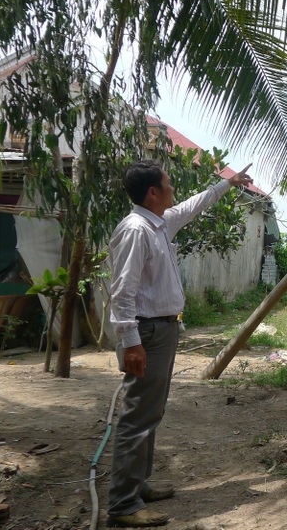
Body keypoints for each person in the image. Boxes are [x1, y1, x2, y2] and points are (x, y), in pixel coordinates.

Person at [106, 160, 252, 528]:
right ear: (152, 192)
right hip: (147, 334)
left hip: (160, 331)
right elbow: (122, 292)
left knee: (150, 413)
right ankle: (123, 504)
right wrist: (131, 343)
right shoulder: (137, 230)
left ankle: (137, 486)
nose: (173, 191)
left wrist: (227, 184)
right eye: (168, 184)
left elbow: (192, 207)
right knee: (138, 416)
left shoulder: (159, 224)